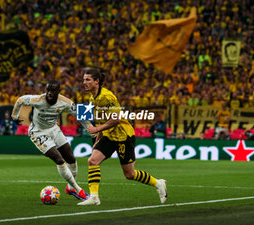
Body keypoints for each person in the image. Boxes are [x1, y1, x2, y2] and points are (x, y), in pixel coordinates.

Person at [78, 68, 167, 206]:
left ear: (97, 81)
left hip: (123, 136)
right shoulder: (92, 97)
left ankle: (158, 183)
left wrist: (96, 129)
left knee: (130, 174)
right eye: (84, 79)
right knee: (93, 161)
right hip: (108, 135)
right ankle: (94, 197)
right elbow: (102, 120)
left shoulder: (108, 97)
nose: (84, 82)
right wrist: (97, 139)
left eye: (88, 79)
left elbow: (116, 119)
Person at [11, 80, 92, 201]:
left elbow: (80, 115)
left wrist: (92, 130)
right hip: (38, 132)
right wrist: (14, 116)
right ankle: (78, 190)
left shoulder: (65, 102)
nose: (49, 93)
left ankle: (70, 188)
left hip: (54, 130)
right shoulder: (38, 99)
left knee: (71, 158)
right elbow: (20, 100)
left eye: (53, 90)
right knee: (59, 160)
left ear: (58, 92)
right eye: (48, 90)